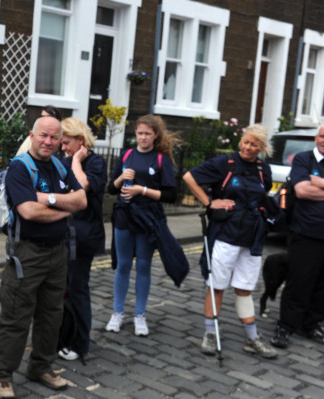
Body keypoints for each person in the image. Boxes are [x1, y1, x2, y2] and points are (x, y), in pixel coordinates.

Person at [0, 115, 87, 399]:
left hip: (58, 252)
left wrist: (49, 199)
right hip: (27, 253)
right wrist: (65, 205)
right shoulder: (20, 168)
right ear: (32, 136)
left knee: (51, 314)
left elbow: (81, 200)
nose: (48, 141)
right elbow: (28, 212)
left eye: (54, 137)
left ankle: (41, 367)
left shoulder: (59, 165)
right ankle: (2, 376)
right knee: (16, 315)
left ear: (60, 141)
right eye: (43, 135)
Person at [183, 124, 277, 359]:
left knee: (245, 288)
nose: (248, 147)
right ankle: (210, 333)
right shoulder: (225, 163)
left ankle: (252, 338)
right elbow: (189, 176)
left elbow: (263, 195)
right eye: (246, 142)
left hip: (252, 237)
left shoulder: (263, 169)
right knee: (217, 284)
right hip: (226, 234)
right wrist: (209, 202)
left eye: (254, 144)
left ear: (262, 148)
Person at [105, 115, 179, 336]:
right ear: (135, 134)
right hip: (124, 215)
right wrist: (120, 180)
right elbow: (111, 189)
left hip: (148, 218)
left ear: (155, 135)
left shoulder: (161, 159)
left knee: (144, 265)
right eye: (140, 133)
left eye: (148, 133)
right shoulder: (126, 154)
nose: (143, 137)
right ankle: (117, 313)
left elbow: (171, 195)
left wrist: (142, 190)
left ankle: (140, 315)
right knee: (123, 265)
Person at [57, 117, 107, 361]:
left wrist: (76, 161)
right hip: (63, 234)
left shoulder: (96, 163)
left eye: (66, 142)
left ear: (80, 140)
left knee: (78, 289)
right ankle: (63, 337)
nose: (63, 147)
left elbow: (82, 186)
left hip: (85, 237)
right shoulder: (62, 161)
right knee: (61, 290)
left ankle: (80, 343)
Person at [271, 124, 324, 349]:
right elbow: (302, 191)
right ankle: (286, 326)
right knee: (299, 281)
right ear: (316, 137)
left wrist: (319, 184)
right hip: (306, 232)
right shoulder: (303, 159)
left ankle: (312, 323)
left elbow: (311, 188)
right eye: (322, 136)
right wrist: (311, 186)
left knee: (322, 284)